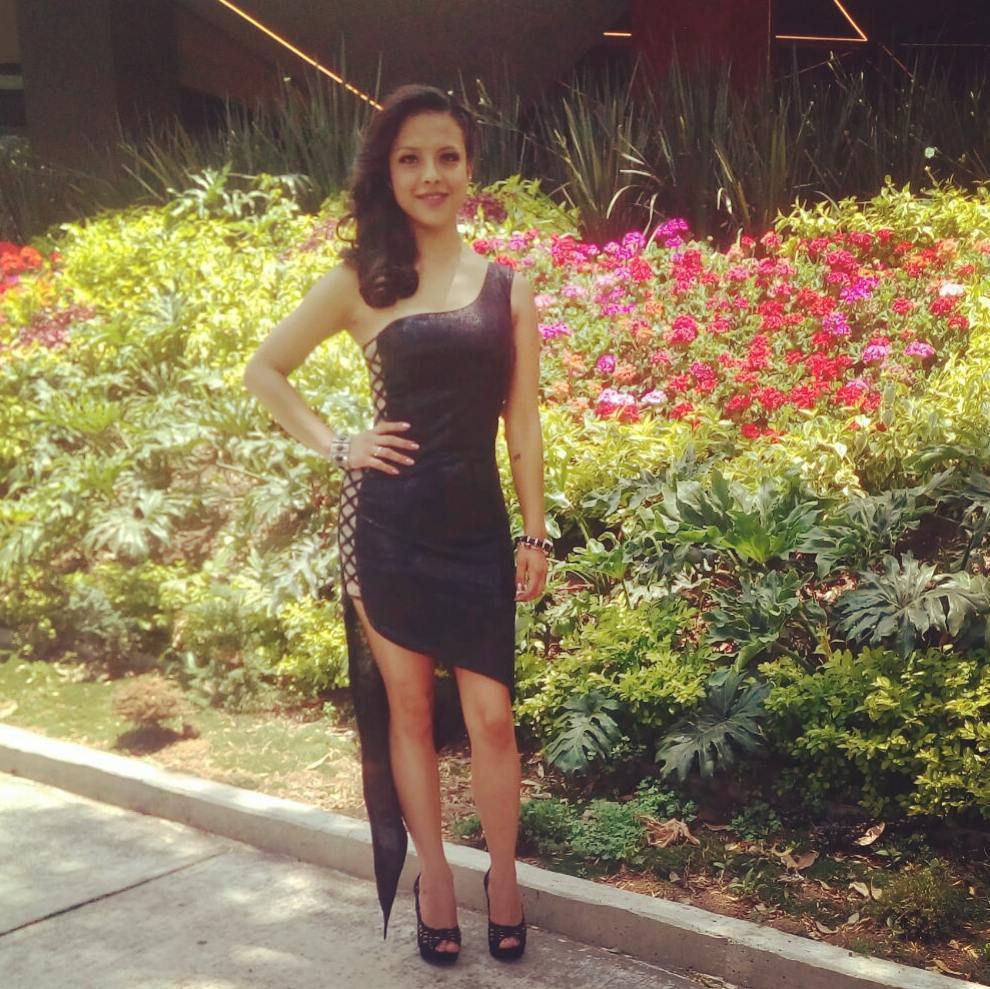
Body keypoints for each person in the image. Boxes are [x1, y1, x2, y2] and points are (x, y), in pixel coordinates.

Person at [243, 83, 549, 964]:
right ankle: (437, 881)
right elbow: (266, 370)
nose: (430, 174)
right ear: (388, 170)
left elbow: (523, 423)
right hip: (389, 531)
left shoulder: (508, 288)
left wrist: (535, 532)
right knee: (409, 714)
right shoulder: (360, 281)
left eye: (447, 156)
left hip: (478, 533)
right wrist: (339, 444)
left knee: (492, 717)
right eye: (410, 158)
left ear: (470, 167)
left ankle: (503, 879)